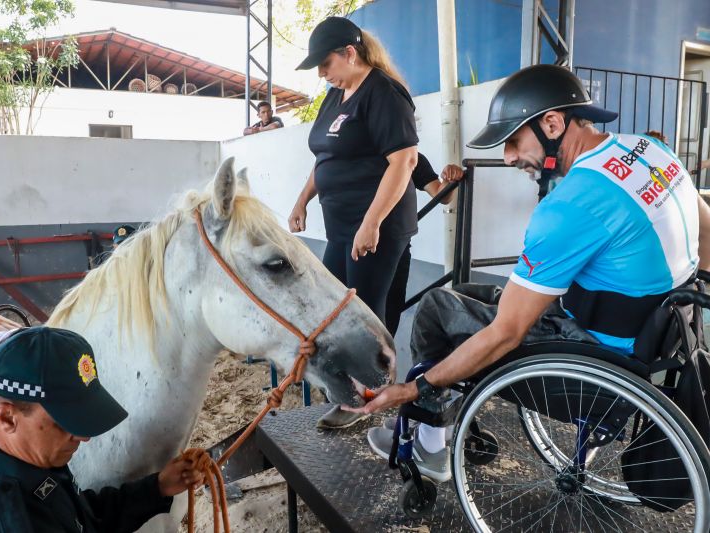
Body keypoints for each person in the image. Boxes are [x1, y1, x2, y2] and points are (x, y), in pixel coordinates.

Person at [350, 64, 710, 484]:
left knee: (435, 307)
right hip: (662, 339)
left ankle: (431, 443)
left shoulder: (570, 206)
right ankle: (440, 420)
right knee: (467, 293)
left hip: (597, 363)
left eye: (514, 141)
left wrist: (416, 388)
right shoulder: (651, 152)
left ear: (553, 123)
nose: (508, 157)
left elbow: (507, 332)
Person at [0, 326, 205, 533]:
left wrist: (158, 487)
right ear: (6, 418)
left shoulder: (29, 464)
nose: (83, 436)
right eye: (65, 421)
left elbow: (84, 518)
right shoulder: (7, 518)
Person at [289, 16, 419, 429]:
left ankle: (370, 404)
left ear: (350, 52)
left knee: (366, 316)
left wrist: (372, 222)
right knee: (332, 310)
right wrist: (302, 201)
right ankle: (352, 393)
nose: (322, 74)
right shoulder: (336, 96)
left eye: (325, 64)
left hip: (376, 226)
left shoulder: (383, 93)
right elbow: (325, 158)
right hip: (340, 226)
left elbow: (405, 161)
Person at [385, 154, 464, 336]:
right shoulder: (351, 152)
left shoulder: (411, 156)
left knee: (388, 318)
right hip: (350, 245)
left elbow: (441, 195)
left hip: (396, 249)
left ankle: (381, 361)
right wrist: (303, 201)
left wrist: (450, 178)